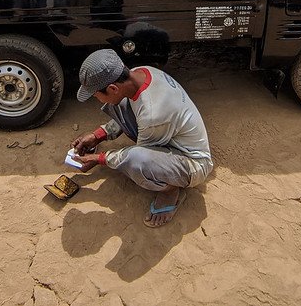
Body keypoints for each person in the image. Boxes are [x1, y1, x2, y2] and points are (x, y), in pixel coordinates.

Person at [71, 49, 213, 228]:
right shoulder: (141, 72)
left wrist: (99, 158)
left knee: (137, 161)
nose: (95, 98)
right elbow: (129, 105)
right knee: (119, 103)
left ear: (113, 88)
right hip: (166, 131)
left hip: (192, 163)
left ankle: (170, 190)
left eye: (94, 94)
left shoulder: (153, 115)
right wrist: (97, 136)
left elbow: (137, 155)